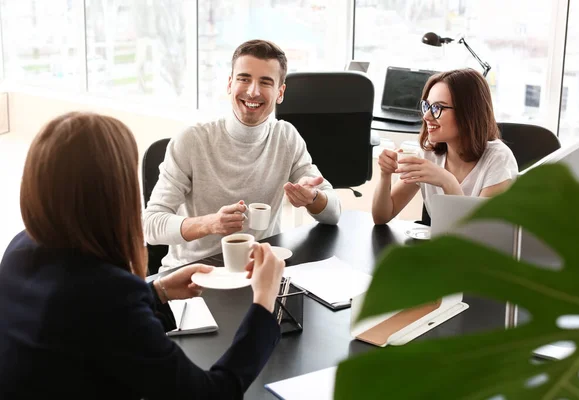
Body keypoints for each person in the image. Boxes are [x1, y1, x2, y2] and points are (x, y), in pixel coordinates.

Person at [0, 112, 285, 399]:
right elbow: (211, 394)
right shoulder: (109, 297)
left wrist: (157, 292)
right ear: (113, 193)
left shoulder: (18, 251)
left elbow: (82, 325)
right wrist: (264, 303)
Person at [143, 39, 341, 270]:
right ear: (230, 84)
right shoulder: (192, 140)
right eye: (244, 79)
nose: (253, 91)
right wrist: (209, 224)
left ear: (280, 92)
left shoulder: (286, 137)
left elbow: (334, 214)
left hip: (258, 273)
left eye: (265, 82)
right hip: (193, 276)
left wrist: (313, 198)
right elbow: (151, 226)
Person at [372, 68, 519, 225]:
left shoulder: (498, 159)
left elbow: (478, 236)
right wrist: (385, 175)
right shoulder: (428, 153)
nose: (427, 116)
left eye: (437, 108)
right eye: (427, 106)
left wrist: (448, 182)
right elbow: (382, 217)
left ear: (468, 112)